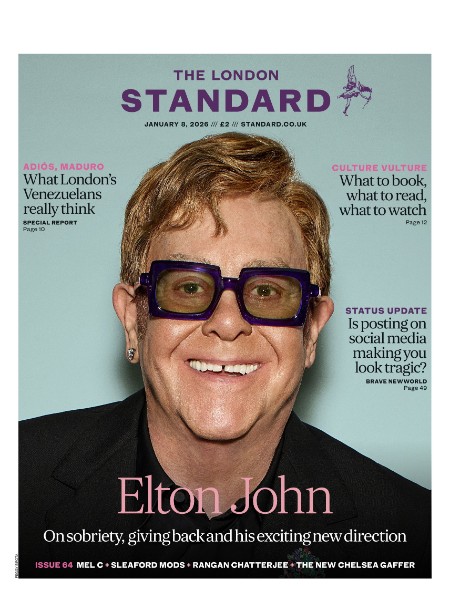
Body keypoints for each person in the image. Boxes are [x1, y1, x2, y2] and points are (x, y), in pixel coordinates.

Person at [19, 133, 430, 578]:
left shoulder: (418, 535)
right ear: (133, 319)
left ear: (311, 331)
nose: (228, 322)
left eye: (267, 291)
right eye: (188, 286)